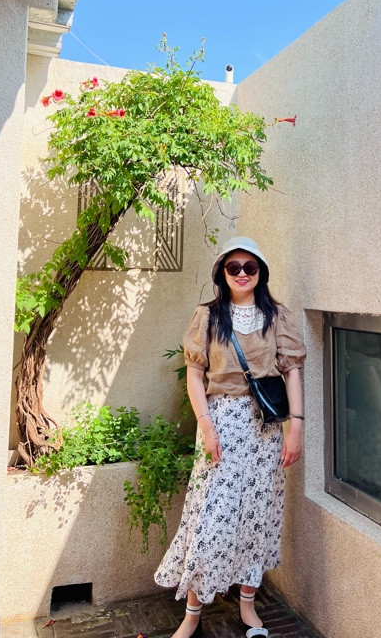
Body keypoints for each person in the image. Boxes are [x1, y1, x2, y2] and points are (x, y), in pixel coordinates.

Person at [154, 236, 306, 638]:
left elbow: (292, 370)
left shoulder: (277, 316)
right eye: (233, 267)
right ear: (222, 272)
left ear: (260, 273)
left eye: (249, 267)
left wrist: (296, 428)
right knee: (211, 519)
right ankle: (192, 613)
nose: (241, 274)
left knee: (258, 514)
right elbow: (195, 375)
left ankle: (248, 605)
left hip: (266, 429)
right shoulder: (208, 316)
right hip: (221, 424)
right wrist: (207, 427)